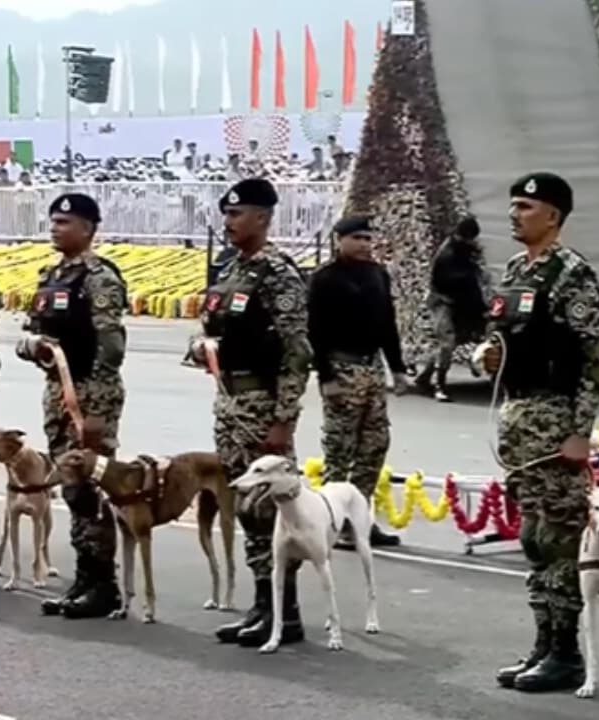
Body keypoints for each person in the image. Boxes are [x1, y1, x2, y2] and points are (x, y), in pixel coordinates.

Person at [479, 172, 599, 693]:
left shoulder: (572, 275)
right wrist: (485, 354)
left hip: (555, 420)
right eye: (513, 205)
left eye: (526, 206)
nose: (515, 214)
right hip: (519, 418)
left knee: (557, 539)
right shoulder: (514, 270)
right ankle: (543, 642)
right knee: (533, 537)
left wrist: (580, 432)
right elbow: (499, 336)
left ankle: (567, 653)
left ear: (553, 216)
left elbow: (593, 358)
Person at [201, 178, 311, 648]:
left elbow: (295, 352)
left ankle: (285, 614)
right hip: (230, 401)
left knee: (270, 512)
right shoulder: (229, 270)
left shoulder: (278, 274)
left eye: (237, 214)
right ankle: (262, 605)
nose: (229, 222)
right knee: (247, 509)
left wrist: (283, 420)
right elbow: (218, 331)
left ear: (263, 218)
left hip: (262, 406)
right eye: (226, 214)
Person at [18, 193, 127, 619]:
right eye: (53, 220)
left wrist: (96, 410)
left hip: (88, 394)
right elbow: (32, 331)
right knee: (71, 486)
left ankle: (103, 584)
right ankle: (85, 578)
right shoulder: (52, 276)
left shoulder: (99, 278)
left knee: (92, 488)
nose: (55, 228)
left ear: (87, 229)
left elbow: (110, 346)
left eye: (65, 221)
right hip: (57, 392)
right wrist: (33, 346)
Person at [308, 215, 409, 548]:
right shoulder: (324, 279)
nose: (365, 244)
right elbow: (315, 332)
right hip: (342, 367)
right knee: (340, 449)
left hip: (372, 368)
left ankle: (359, 518)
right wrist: (326, 376)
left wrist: (397, 368)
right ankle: (333, 522)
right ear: (339, 240)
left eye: (368, 238)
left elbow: (387, 324)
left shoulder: (376, 274)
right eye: (357, 238)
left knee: (374, 445)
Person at [416, 216, 488, 401]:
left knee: (449, 343)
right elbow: (451, 283)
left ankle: (424, 377)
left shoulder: (463, 250)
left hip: (454, 300)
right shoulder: (448, 255)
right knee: (447, 343)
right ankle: (440, 385)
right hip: (442, 300)